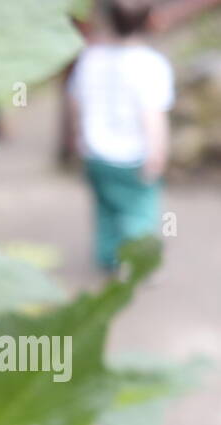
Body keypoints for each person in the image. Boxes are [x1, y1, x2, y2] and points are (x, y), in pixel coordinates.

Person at [66, 0, 174, 272]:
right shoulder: (152, 65)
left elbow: (76, 103)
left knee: (105, 209)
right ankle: (137, 266)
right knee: (138, 213)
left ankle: (108, 257)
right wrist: (157, 154)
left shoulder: (91, 59)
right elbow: (153, 116)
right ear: (151, 21)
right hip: (133, 155)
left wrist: (77, 140)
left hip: (95, 152)